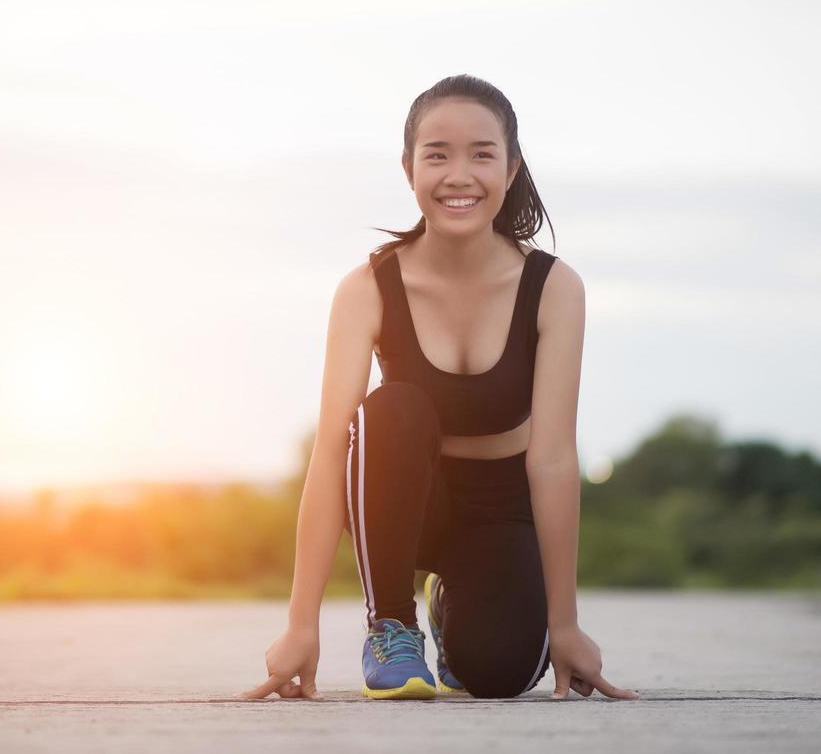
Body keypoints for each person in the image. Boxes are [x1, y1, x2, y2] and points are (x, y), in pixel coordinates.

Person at [239, 75, 639, 703]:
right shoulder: (366, 288)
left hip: (502, 505)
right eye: (438, 154)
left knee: (500, 675)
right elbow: (329, 453)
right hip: (405, 503)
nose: (460, 174)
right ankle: (392, 624)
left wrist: (565, 625)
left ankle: (451, 610)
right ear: (408, 169)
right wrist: (300, 624)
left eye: (482, 154)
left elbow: (555, 457)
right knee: (390, 408)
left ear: (511, 171)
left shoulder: (554, 288)